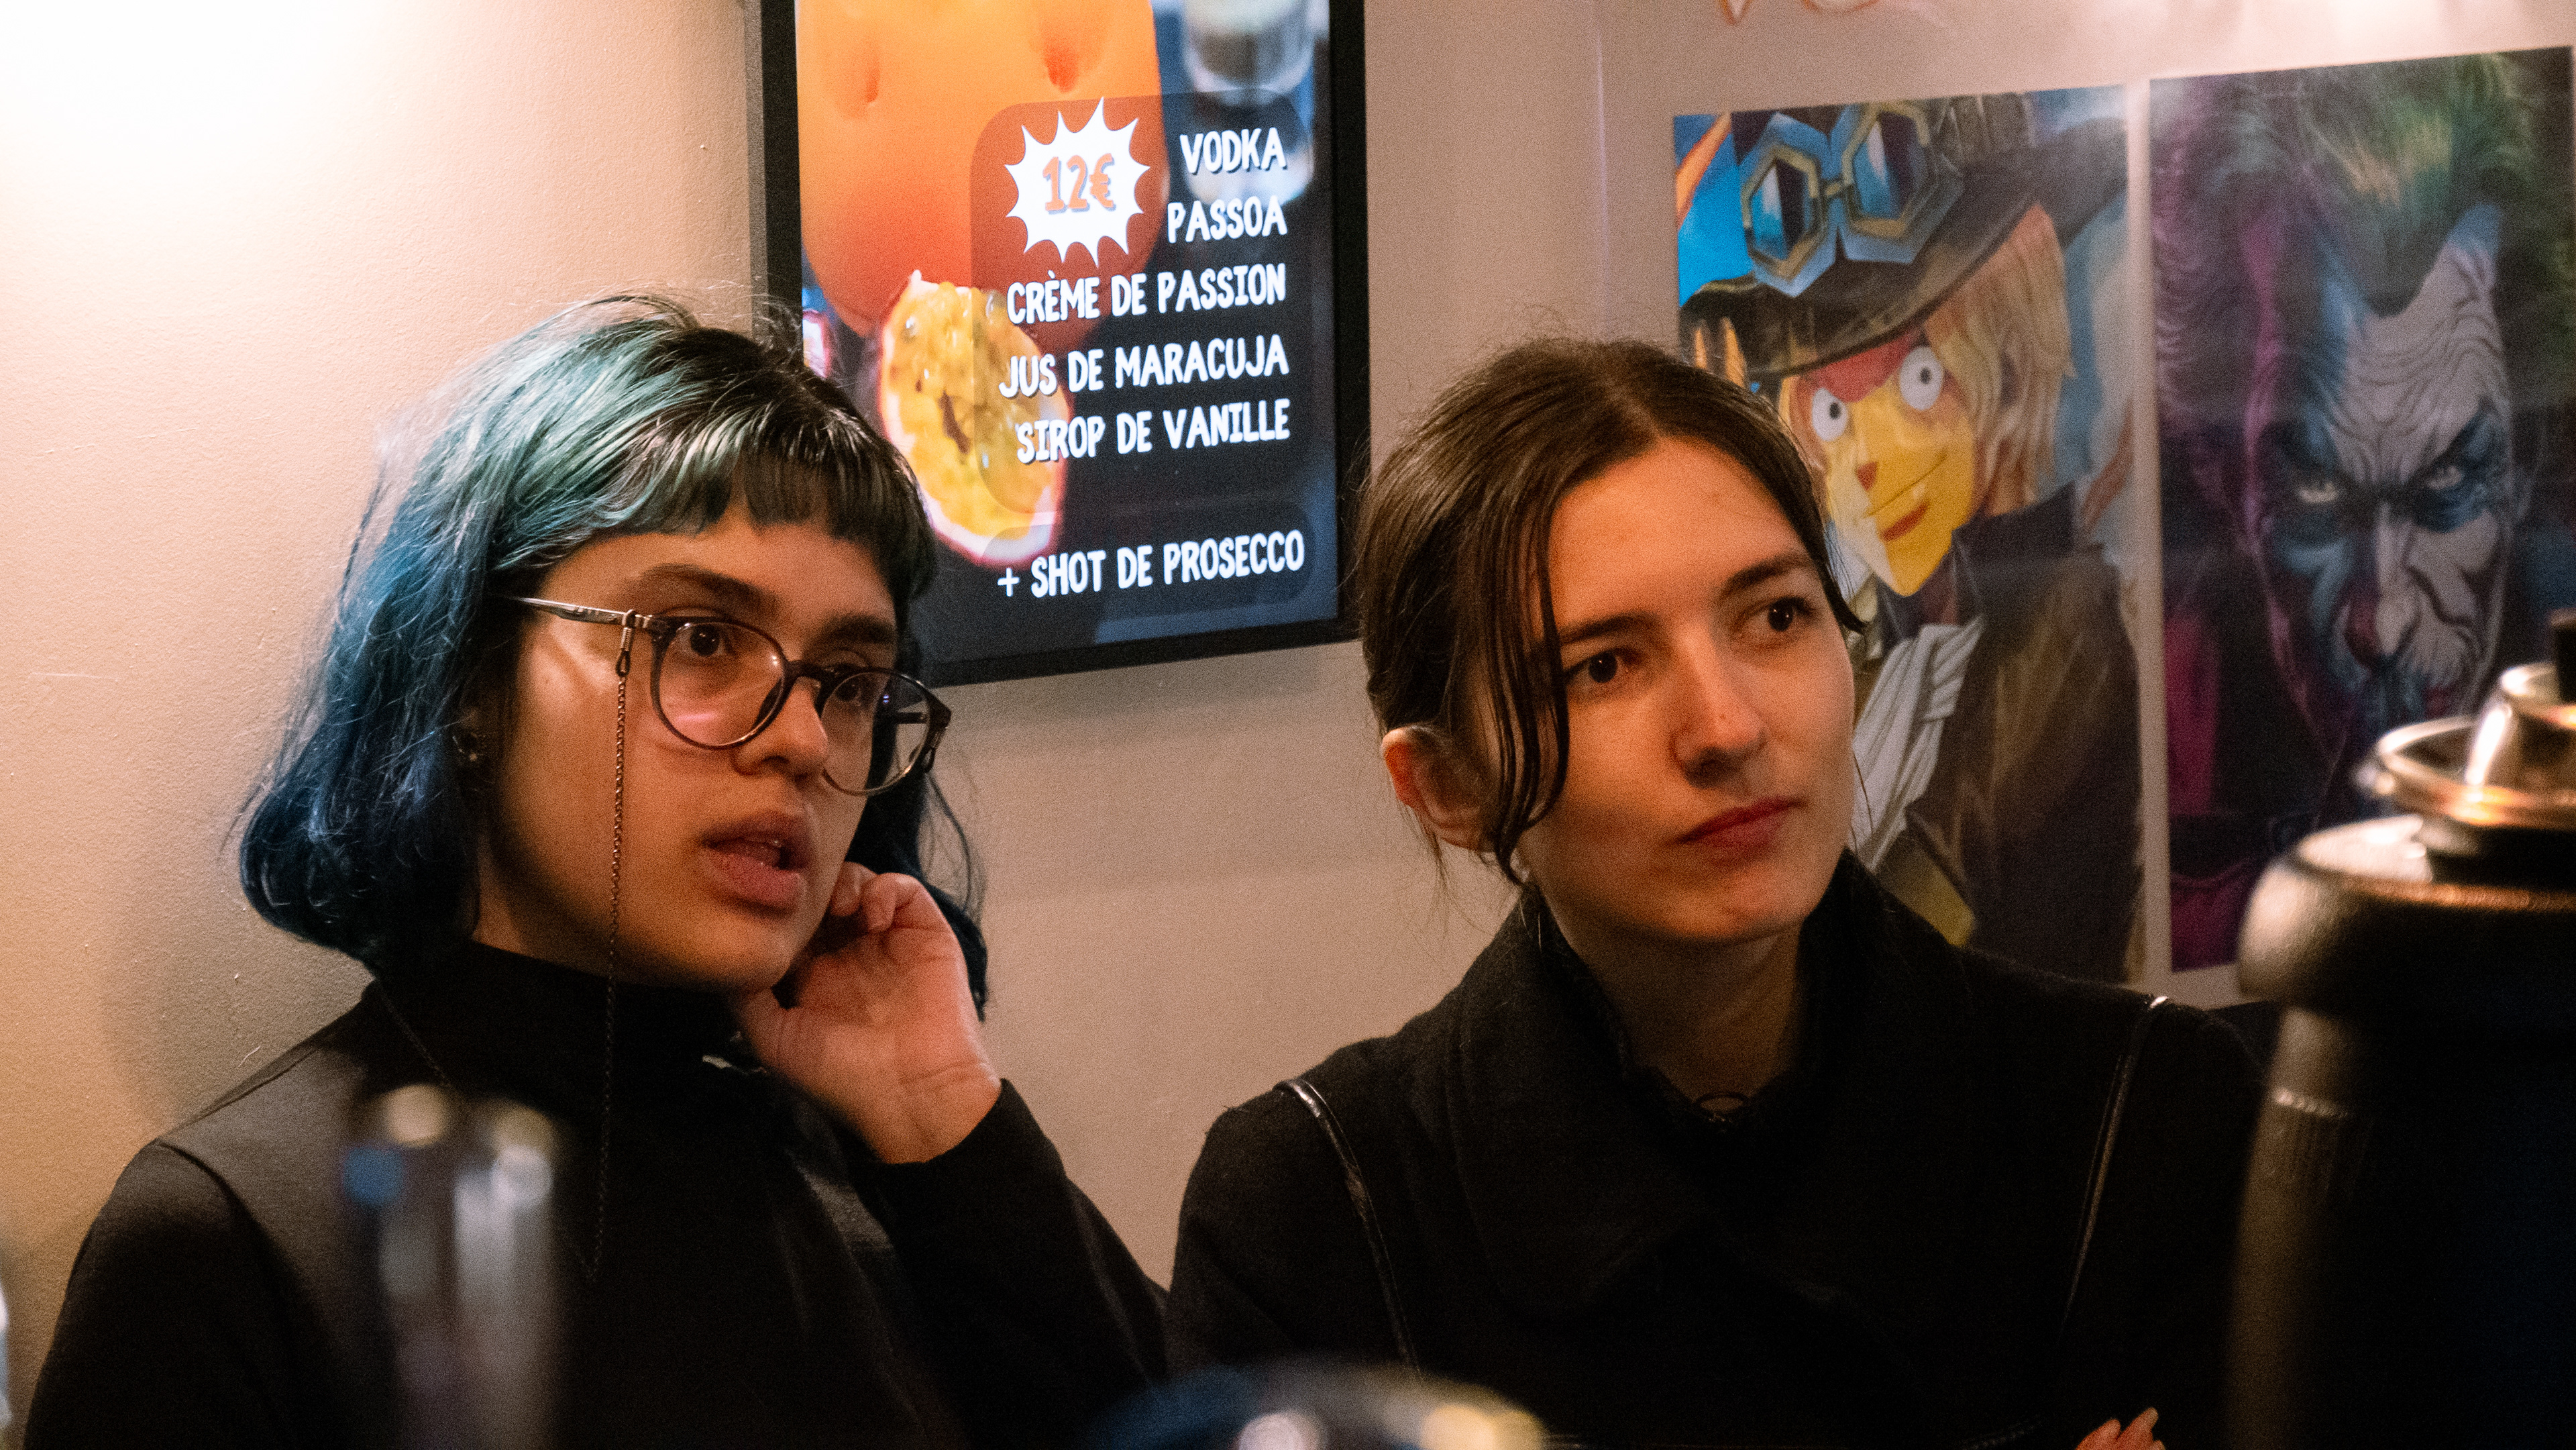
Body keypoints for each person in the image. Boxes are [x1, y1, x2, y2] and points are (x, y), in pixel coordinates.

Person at [27, 299, 1163, 1448]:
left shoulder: (893, 1173)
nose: (802, 737)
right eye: (701, 639)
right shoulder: (230, 1241)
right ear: (471, 678)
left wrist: (944, 1121)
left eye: (850, 681)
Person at [1169, 339, 2258, 1449]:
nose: (1728, 727)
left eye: (1776, 616)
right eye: (1604, 666)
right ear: (1448, 784)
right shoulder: (1314, 1220)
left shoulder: (2141, 1124)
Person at [1681, 91, 2141, 982]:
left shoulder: (2063, 626)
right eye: (1832, 412)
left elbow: (1906, 950)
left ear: (2005, 364)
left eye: (1920, 380)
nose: (1867, 463)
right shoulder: (1860, 648)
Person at [2152, 50, 2576, 970]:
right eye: (2314, 490)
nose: (2381, 621)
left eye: (2448, 485)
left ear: (2529, 454)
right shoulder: (2146, 768)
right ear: (2225, 475)